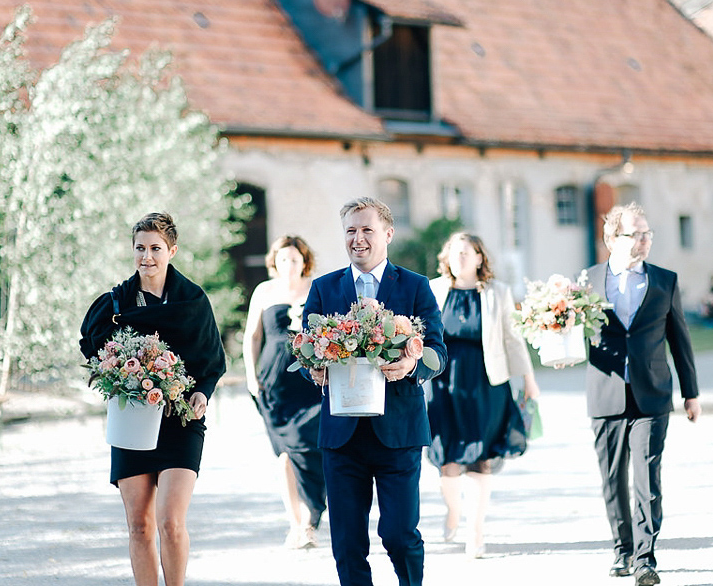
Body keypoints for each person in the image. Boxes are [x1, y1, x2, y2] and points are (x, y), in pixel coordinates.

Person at [303, 196, 447, 586]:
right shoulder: (322, 289)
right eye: (350, 230)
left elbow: (438, 351)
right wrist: (314, 369)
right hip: (341, 436)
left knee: (399, 536)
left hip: (397, 433)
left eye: (367, 229)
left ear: (388, 234)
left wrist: (412, 363)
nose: (358, 239)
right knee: (348, 543)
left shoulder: (415, 286)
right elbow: (304, 353)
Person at [79, 212, 226, 586]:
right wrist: (114, 374)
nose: (147, 256)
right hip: (132, 422)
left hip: (181, 420)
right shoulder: (115, 303)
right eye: (140, 248)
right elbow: (92, 350)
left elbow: (212, 361)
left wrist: (202, 394)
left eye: (155, 248)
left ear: (171, 251)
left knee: (170, 522)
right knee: (139, 527)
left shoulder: (193, 300)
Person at [581, 203, 700, 586]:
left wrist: (691, 393)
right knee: (612, 478)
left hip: (653, 394)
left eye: (648, 233)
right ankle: (622, 550)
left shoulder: (665, 280)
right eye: (637, 233)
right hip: (605, 392)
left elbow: (680, 341)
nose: (646, 239)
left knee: (647, 477)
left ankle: (646, 558)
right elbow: (566, 331)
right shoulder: (586, 280)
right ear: (612, 238)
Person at [427, 232, 540, 558]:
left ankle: (475, 532)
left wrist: (528, 379)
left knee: (480, 459)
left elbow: (513, 340)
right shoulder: (434, 290)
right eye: (454, 252)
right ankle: (453, 510)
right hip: (443, 387)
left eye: (466, 252)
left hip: (485, 386)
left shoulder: (497, 292)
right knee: (447, 460)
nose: (459, 258)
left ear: (479, 258)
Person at [243, 235, 326, 549]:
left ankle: (311, 517)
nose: (288, 265)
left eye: (294, 259)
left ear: (304, 261)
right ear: (273, 263)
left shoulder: (317, 288)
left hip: (312, 382)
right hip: (275, 384)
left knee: (317, 450)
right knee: (286, 455)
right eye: (282, 260)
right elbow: (252, 336)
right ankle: (297, 525)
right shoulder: (264, 291)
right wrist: (251, 376)